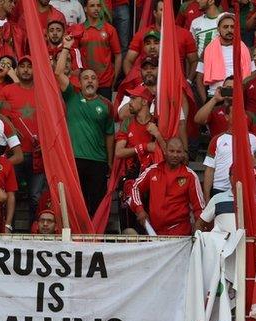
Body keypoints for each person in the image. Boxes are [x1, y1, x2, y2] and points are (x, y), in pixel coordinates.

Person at [56, 38, 114, 216]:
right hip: (74, 160)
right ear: (79, 83)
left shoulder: (106, 105)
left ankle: (95, 240)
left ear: (98, 83)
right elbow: (58, 73)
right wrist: (66, 47)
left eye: (93, 78)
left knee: (96, 206)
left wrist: (110, 163)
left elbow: (109, 135)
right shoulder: (72, 97)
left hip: (98, 162)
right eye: (86, 78)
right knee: (76, 204)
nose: (90, 81)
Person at [0, 55, 45, 218]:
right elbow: (0, 116)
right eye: (22, 66)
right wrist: (11, 127)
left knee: (35, 196)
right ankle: (10, 229)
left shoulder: (43, 91)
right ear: (16, 70)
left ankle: (35, 230)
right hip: (14, 153)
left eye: (29, 66)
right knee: (11, 195)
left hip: (38, 153)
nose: (25, 69)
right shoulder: (7, 91)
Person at [114, 84, 165, 232]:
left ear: (144, 101)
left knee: (148, 226)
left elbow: (168, 150)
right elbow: (119, 152)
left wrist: (158, 135)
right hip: (128, 179)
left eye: (133, 98)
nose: (129, 102)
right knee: (128, 229)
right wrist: (143, 147)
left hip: (151, 181)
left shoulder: (157, 122)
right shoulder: (128, 122)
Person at [130, 138, 205, 235]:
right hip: (154, 232)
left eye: (178, 152)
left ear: (183, 154)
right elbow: (134, 188)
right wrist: (139, 210)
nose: (175, 155)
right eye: (171, 151)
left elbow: (199, 208)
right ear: (165, 151)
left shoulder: (190, 176)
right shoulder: (153, 170)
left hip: (180, 234)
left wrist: (198, 234)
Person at [124, 0, 197, 80]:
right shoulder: (142, 34)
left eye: (168, 11)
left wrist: (189, 81)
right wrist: (136, 83)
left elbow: (194, 61)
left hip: (175, 86)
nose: (166, 13)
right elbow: (128, 61)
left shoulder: (185, 34)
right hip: (148, 87)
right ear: (155, 13)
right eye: (162, 10)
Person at [203, 114, 256, 203]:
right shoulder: (217, 139)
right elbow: (209, 170)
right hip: (220, 189)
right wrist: (206, 197)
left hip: (244, 189)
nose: (240, 114)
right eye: (235, 112)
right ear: (227, 117)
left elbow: (255, 164)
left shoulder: (253, 138)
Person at [197, 13, 253, 99]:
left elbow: (254, 73)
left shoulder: (246, 49)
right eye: (225, 27)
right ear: (218, 29)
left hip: (239, 97)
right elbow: (199, 78)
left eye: (232, 27)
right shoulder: (207, 50)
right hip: (214, 96)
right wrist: (205, 100)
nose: (229, 30)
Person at [75, 0, 122, 100]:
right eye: (92, 6)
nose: (96, 8)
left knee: (105, 113)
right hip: (85, 81)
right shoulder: (79, 29)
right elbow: (75, 56)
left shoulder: (110, 29)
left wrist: (114, 79)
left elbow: (118, 55)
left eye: (98, 6)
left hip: (105, 82)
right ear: (85, 9)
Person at [201, 166, 256, 233]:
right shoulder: (217, 199)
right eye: (235, 174)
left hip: (249, 243)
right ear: (229, 178)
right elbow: (201, 223)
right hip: (222, 243)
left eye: (242, 174)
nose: (238, 178)